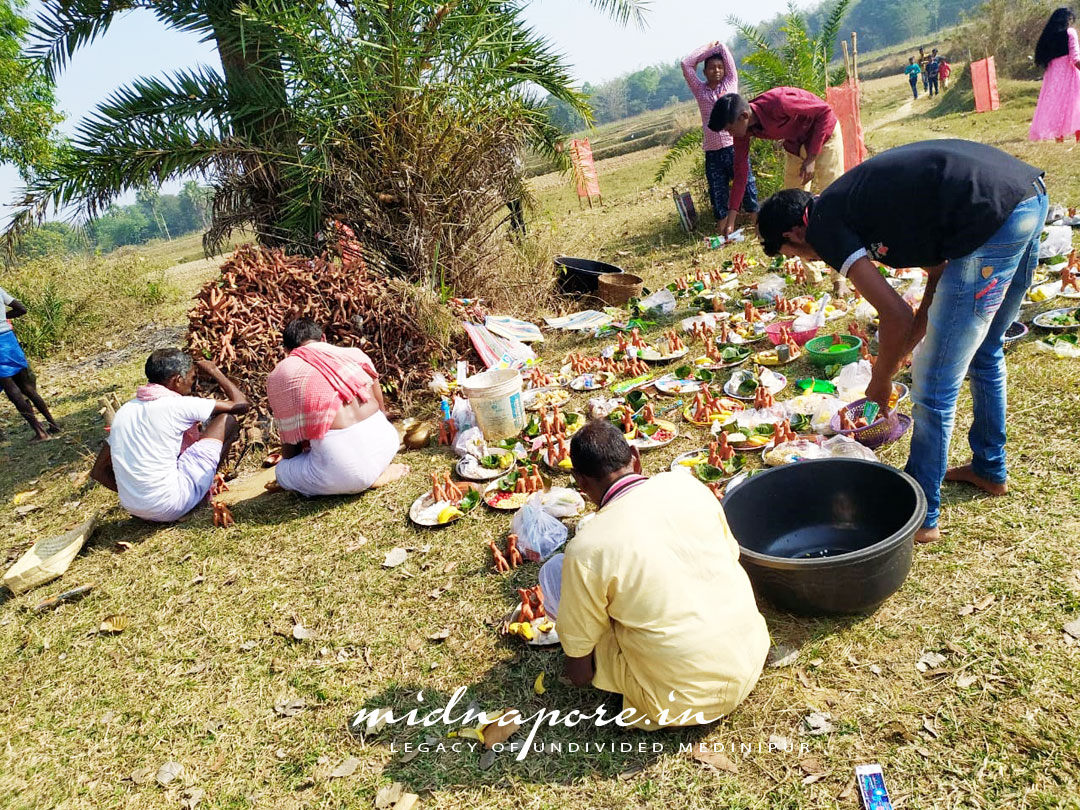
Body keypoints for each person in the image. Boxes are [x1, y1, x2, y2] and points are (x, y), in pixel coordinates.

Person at [754, 140, 1048, 545]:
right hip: (1026, 199)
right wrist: (909, 341)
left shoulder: (824, 225)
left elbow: (893, 313)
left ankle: (923, 511)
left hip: (992, 218)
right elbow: (939, 271)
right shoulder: (854, 207)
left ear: (794, 233)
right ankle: (989, 468)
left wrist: (881, 380)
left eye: (793, 254)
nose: (807, 261)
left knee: (933, 385)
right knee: (985, 349)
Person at [536, 419, 769, 729]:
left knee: (554, 572)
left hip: (681, 702)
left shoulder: (587, 548)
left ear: (580, 482)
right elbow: (731, 554)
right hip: (750, 656)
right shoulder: (687, 484)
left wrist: (581, 660)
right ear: (636, 455)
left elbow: (580, 675)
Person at [91, 349, 249, 522]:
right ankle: (203, 491)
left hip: (135, 509)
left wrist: (138, 498)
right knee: (227, 420)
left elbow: (98, 471)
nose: (192, 384)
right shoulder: (177, 405)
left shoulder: (125, 412)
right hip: (172, 505)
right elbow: (241, 405)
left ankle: (157, 504)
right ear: (178, 380)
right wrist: (214, 371)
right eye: (192, 377)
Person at [266, 318, 408, 496]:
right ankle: (375, 470)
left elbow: (290, 450)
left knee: (282, 471)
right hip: (387, 442)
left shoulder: (280, 373)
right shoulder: (354, 353)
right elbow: (381, 410)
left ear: (287, 351)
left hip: (346, 472)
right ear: (323, 339)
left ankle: (366, 479)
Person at [708, 88, 844, 238]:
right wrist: (731, 221)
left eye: (730, 129)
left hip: (824, 135)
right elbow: (740, 174)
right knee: (791, 202)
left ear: (744, 116)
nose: (730, 134)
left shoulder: (779, 103)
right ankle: (805, 251)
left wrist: (811, 158)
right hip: (796, 144)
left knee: (831, 193)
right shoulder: (742, 132)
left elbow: (824, 112)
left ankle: (839, 238)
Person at [681, 40, 758, 233]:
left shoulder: (731, 83)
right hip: (713, 153)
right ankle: (724, 232)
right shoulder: (700, 90)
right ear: (704, 72)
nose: (716, 70)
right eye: (711, 68)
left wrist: (717, 47)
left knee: (748, 187)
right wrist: (706, 49)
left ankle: (758, 226)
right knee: (718, 193)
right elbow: (686, 64)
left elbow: (724, 49)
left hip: (734, 147)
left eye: (719, 67)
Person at [0, 287, 61, 441]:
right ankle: (53, 423)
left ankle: (40, 432)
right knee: (27, 387)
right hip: (9, 339)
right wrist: (3, 317)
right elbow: (21, 309)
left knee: (12, 390)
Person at [1029, 7, 1080, 143]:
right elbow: (1075, 59)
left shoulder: (1048, 37)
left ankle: (1059, 139)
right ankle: (1078, 138)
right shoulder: (1070, 33)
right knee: (1076, 105)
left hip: (1052, 76)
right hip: (1069, 74)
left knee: (1057, 107)